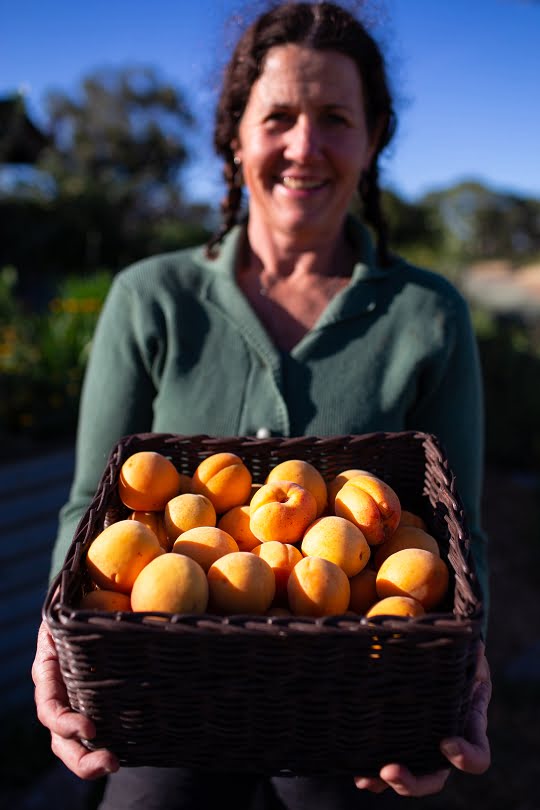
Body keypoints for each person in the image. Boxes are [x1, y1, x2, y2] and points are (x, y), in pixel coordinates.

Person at [32, 2, 491, 807]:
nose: (304, 147)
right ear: (235, 133)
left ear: (375, 136)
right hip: (164, 689)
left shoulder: (428, 314)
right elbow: (90, 504)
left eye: (336, 119)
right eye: (278, 116)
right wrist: (55, 637)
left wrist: (461, 669)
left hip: (356, 697)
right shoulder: (153, 297)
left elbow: (462, 532)